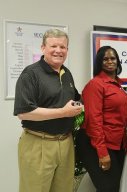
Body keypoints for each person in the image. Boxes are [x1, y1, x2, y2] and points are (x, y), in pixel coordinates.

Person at [14, 29, 83, 192]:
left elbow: (76, 98)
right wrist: (63, 112)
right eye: (53, 46)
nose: (58, 50)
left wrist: (79, 106)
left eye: (63, 47)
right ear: (43, 48)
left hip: (65, 143)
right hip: (39, 143)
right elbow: (23, 112)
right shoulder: (30, 74)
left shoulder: (67, 73)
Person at [75, 46, 127, 192]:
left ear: (118, 61)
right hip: (96, 143)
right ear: (99, 62)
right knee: (108, 187)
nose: (110, 61)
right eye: (105, 59)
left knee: (113, 186)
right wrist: (102, 152)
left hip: (115, 143)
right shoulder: (95, 84)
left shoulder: (118, 84)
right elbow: (94, 119)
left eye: (113, 58)